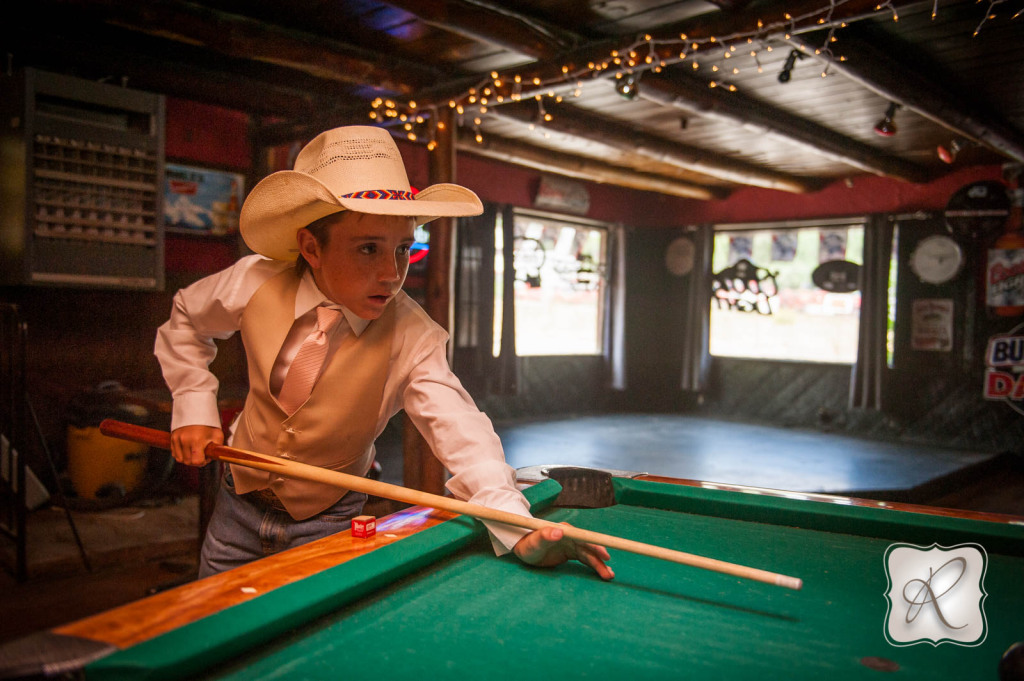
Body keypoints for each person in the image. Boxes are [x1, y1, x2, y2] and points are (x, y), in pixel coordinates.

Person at [155, 125, 613, 580]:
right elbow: (186, 321)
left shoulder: (412, 334)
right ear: (311, 247)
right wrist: (193, 406)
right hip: (234, 507)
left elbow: (463, 432)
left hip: (331, 522)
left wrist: (519, 528)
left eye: (402, 249)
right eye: (368, 249)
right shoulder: (254, 281)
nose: (391, 274)